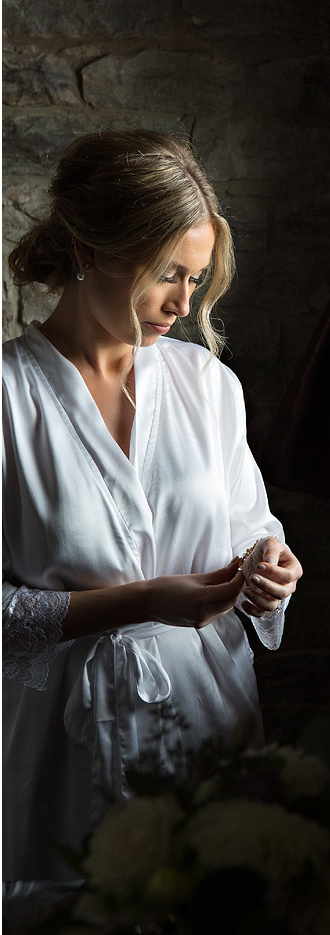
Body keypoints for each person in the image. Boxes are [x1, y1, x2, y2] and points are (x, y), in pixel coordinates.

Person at [2, 130, 303, 892]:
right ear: (89, 250)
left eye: (197, 280)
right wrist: (138, 602)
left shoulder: (208, 387)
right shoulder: (9, 400)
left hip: (208, 722)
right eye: (165, 274)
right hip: (58, 748)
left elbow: (249, 524)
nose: (183, 302)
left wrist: (272, 563)